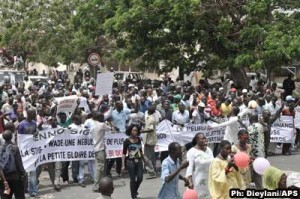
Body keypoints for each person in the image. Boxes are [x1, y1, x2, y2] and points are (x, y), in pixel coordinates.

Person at [17, 108, 39, 197]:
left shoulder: (34, 123)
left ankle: (33, 190)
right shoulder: (21, 125)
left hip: (32, 150)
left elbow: (35, 133)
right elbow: (19, 138)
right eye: (33, 113)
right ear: (28, 114)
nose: (34, 115)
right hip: (24, 151)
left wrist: (36, 132)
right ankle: (25, 189)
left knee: (33, 171)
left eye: (34, 113)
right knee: (25, 172)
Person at [185, 133, 213, 198]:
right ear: (197, 140)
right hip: (197, 182)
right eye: (202, 138)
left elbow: (213, 163)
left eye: (205, 138)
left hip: (209, 181)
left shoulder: (208, 150)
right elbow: (190, 167)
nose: (204, 140)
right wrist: (190, 182)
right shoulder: (191, 152)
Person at [0, 130, 26, 199]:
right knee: (19, 196)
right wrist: (23, 173)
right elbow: (18, 163)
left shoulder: (0, 149)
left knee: (5, 197)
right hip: (16, 177)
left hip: (4, 178)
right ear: (11, 137)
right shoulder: (14, 148)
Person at [91, 112, 113, 192]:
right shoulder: (101, 125)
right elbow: (111, 129)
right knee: (100, 168)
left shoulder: (93, 125)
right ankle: (97, 186)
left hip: (96, 148)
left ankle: (101, 184)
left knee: (98, 167)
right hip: (100, 148)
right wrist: (110, 122)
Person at [121, 125, 144, 199]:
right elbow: (124, 153)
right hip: (130, 162)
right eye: (133, 130)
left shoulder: (139, 139)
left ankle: (135, 191)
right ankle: (133, 196)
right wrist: (123, 165)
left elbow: (140, 151)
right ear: (130, 131)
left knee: (140, 178)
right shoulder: (127, 141)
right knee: (133, 179)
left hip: (139, 160)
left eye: (136, 130)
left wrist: (144, 160)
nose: (135, 132)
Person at [248, 114, 264, 189]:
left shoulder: (251, 127)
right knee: (258, 174)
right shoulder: (261, 126)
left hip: (253, 154)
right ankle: (260, 189)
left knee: (249, 173)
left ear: (251, 119)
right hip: (261, 152)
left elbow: (249, 139)